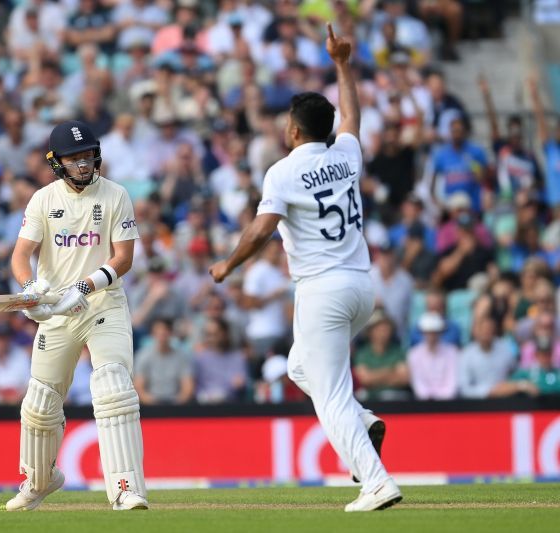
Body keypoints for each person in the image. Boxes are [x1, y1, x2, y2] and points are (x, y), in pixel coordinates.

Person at [209, 25, 401, 512]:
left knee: (329, 394)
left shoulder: (283, 170)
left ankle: (376, 482)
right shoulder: (346, 154)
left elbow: (259, 231)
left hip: (322, 291)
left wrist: (227, 266)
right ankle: (363, 421)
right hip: (362, 286)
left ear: (294, 131)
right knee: (300, 367)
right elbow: (352, 116)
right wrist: (342, 64)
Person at [4, 120, 148, 511]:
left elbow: (124, 258)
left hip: (103, 304)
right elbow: (21, 256)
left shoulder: (116, 195)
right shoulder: (43, 200)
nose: (83, 165)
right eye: (74, 159)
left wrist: (84, 287)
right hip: (57, 312)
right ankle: (39, 479)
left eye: (87, 156)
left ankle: (125, 487)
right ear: (57, 163)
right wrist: (31, 287)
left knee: (113, 386)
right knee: (40, 401)